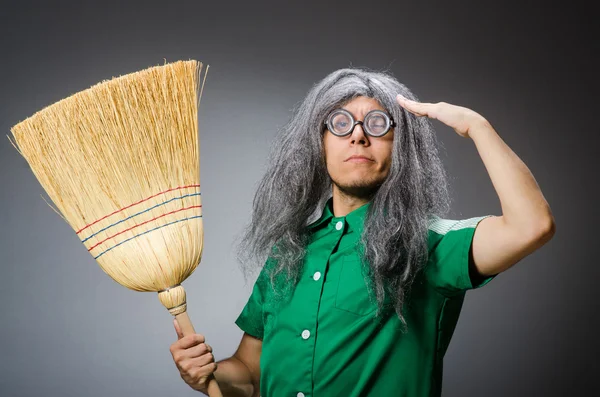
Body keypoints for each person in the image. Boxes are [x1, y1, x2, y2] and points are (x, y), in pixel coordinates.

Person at [169, 67, 556, 396]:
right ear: (318, 144)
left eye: (377, 123)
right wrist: (208, 376)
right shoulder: (290, 252)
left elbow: (531, 226)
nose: (357, 135)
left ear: (401, 146)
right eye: (340, 123)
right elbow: (249, 375)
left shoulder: (430, 245)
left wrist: (477, 127)